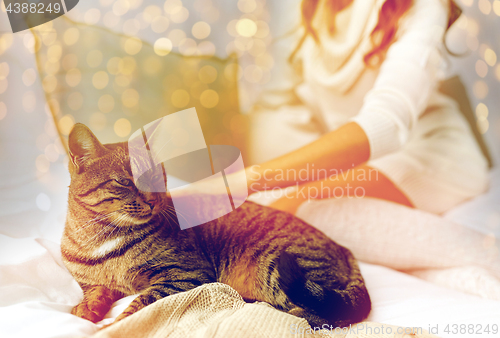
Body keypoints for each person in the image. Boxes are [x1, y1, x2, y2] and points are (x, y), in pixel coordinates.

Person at [244, 0, 489, 215]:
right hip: (352, 162)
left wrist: (247, 180)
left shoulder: (423, 5)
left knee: (292, 207)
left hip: (429, 157)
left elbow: (386, 124)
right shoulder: (311, 8)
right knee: (277, 204)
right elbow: (294, 101)